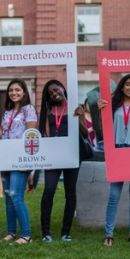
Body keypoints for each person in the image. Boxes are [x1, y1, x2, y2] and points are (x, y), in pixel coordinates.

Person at [98, 74, 130, 246]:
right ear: (122, 86)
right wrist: (100, 111)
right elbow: (104, 127)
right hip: (118, 150)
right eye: (128, 84)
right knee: (114, 194)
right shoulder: (113, 105)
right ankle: (109, 234)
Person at [39, 80, 88, 243]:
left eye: (56, 89)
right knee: (49, 190)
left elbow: (85, 134)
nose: (54, 94)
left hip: (72, 154)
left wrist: (79, 117)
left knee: (70, 192)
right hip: (54, 155)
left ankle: (65, 232)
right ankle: (46, 232)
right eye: (50, 93)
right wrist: (48, 156)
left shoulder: (75, 107)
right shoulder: (48, 110)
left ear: (62, 88)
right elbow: (46, 135)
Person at [0, 79, 38, 244]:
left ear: (24, 92)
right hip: (7, 156)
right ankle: (11, 232)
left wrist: (26, 160)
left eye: (17, 90)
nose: (13, 93)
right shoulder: (7, 112)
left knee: (16, 195)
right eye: (11, 90)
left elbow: (31, 134)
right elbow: (4, 135)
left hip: (21, 157)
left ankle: (26, 235)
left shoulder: (29, 109)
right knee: (8, 196)